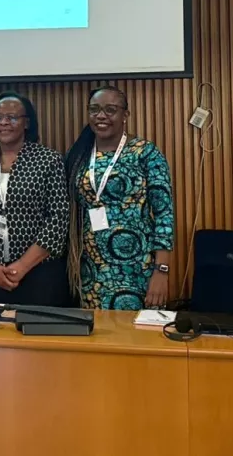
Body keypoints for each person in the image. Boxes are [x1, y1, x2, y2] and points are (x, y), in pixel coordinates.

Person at [63, 86, 176, 310]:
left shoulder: (145, 152)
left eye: (110, 110)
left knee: (136, 338)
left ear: (125, 115)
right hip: (91, 268)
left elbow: (164, 214)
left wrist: (161, 271)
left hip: (137, 268)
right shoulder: (80, 155)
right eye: (94, 110)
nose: (101, 116)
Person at [0, 91, 69, 306]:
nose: (4, 123)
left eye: (12, 117)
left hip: (39, 273)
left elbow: (58, 217)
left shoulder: (48, 160)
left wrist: (22, 266)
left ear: (26, 123)